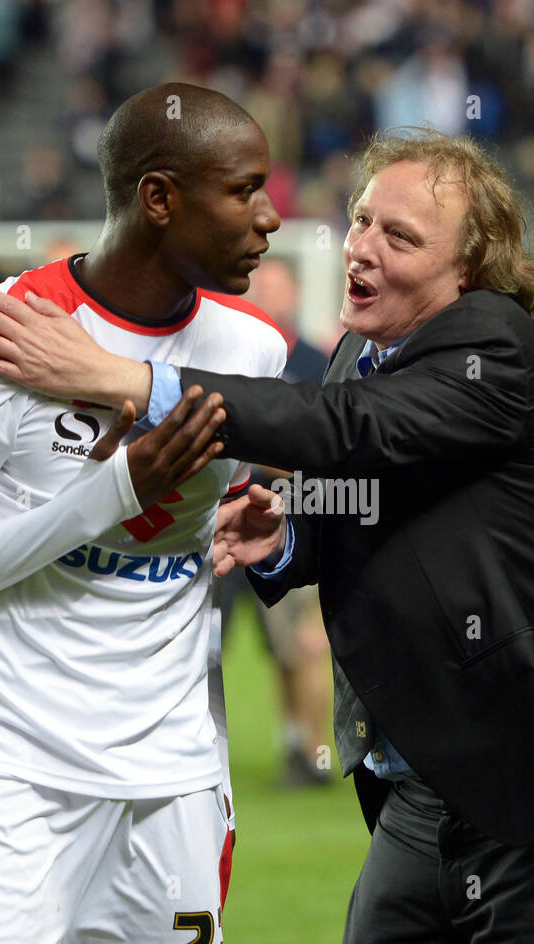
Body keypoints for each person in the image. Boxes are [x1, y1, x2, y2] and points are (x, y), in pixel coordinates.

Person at [0, 127, 534, 944]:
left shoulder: (494, 343)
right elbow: (378, 492)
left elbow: (345, 431)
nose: (363, 248)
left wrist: (126, 378)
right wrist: (289, 533)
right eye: (362, 219)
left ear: (470, 270)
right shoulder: (361, 353)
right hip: (425, 796)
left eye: (401, 237)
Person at [0, 83, 284, 944]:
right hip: (1, 771)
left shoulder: (254, 350)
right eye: (244, 190)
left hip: (172, 780)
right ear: (160, 198)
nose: (271, 216)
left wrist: (255, 516)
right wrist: (108, 495)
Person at [213, 257, 333, 787]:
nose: (268, 293)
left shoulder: (314, 359)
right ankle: (288, 746)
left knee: (301, 646)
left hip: (293, 522)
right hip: (229, 518)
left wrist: (259, 451)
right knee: (230, 643)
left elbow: (327, 446)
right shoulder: (234, 350)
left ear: (296, 296)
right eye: (262, 284)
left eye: (278, 287)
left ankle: (314, 753)